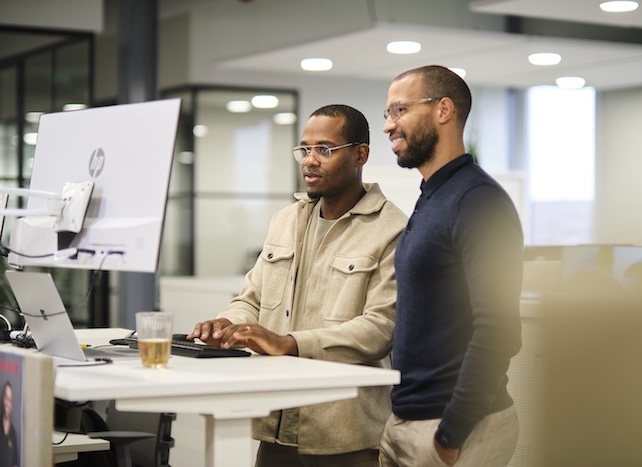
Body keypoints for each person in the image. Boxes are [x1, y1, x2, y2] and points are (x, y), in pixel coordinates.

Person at [189, 104, 407, 466]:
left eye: (324, 149)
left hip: (344, 434)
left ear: (360, 154)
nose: (309, 160)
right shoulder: (285, 221)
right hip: (276, 421)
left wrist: (287, 344)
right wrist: (230, 324)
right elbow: (252, 298)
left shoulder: (391, 229)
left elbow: (379, 329)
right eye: (304, 149)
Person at [378, 65, 524, 467]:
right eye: (387, 114)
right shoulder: (433, 197)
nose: (389, 126)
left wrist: (450, 433)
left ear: (443, 110)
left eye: (399, 110)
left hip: (455, 428)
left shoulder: (479, 201)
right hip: (406, 419)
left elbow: (499, 329)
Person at [0, 382, 17, 467]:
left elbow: (14, 464)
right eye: (6, 397)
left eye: (10, 399)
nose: (7, 402)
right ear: (2, 399)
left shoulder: (13, 433)